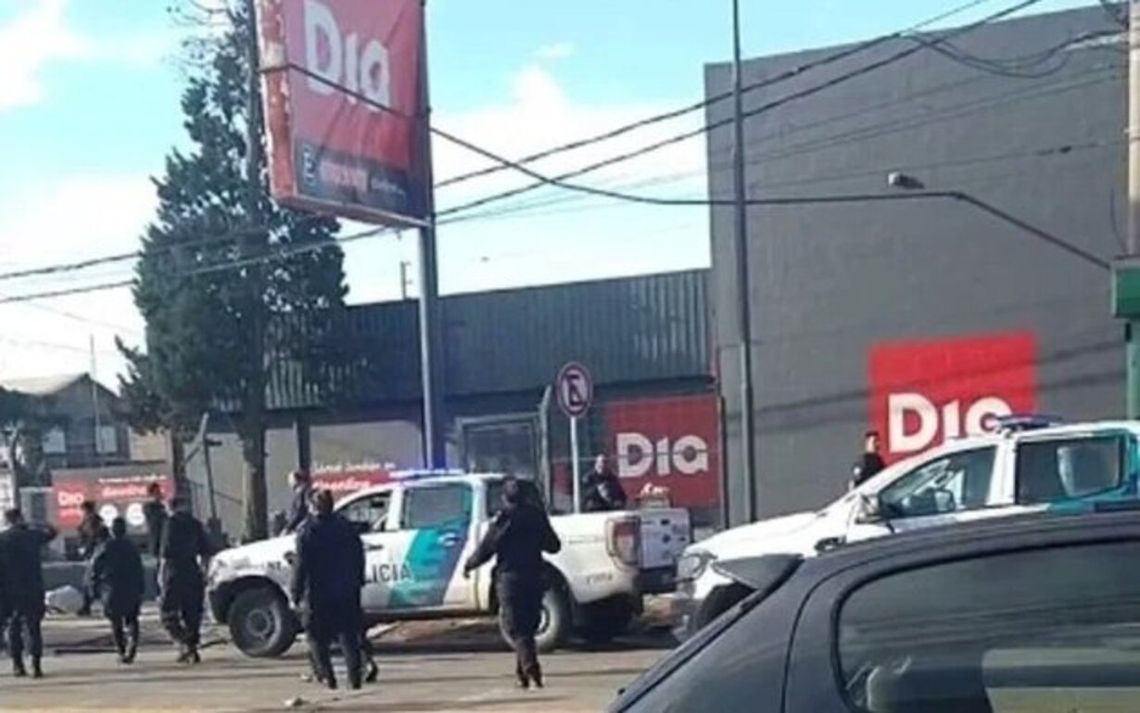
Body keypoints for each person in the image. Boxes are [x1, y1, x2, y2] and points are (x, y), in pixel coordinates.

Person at [463, 477, 561, 690]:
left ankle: (531, 668)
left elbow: (486, 549)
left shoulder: (504, 519)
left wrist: (469, 565)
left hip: (510, 579)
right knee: (527, 627)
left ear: (505, 498)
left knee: (516, 628)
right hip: (534, 576)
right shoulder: (536, 517)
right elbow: (554, 545)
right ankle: (522, 675)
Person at [291, 488, 365, 691]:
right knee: (348, 636)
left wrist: (295, 593)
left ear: (312, 507)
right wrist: (358, 580)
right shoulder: (346, 527)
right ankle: (354, 678)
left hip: (318, 592)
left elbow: (301, 565)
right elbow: (359, 555)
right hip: (346, 589)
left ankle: (327, 676)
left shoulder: (307, 531)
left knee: (316, 637)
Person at [0, 508, 57, 678]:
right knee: (33, 628)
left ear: (7, 521)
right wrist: (35, 523)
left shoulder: (3, 539)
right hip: (33, 587)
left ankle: (18, 665)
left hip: (10, 590)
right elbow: (53, 531)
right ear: (21, 518)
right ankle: (36, 666)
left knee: (13, 627)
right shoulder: (32, 536)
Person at [159, 494, 212, 664]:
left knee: (168, 612)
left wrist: (161, 574)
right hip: (192, 569)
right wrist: (204, 571)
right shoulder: (195, 524)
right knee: (192, 612)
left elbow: (166, 551)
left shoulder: (171, 523)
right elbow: (206, 550)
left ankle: (184, 641)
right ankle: (192, 647)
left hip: (174, 570)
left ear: (171, 507)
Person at [89, 517, 145, 664]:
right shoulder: (132, 547)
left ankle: (121, 650)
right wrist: (141, 588)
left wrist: (94, 588)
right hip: (131, 587)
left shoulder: (105, 547)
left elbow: (95, 568)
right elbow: (139, 569)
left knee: (116, 622)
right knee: (132, 619)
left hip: (112, 588)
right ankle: (132, 648)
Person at [76, 500, 109, 616]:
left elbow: (92, 538)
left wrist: (86, 549)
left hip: (96, 555)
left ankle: (88, 606)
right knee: (95, 582)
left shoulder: (91, 521)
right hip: (99, 554)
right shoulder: (97, 521)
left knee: (90, 582)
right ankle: (91, 606)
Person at [281, 470, 314, 535]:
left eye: (290, 480)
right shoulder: (303, 491)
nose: (289, 483)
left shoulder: (301, 493)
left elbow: (299, 511)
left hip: (299, 527)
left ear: (296, 480)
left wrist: (289, 527)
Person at [142, 482, 167, 558]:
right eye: (156, 492)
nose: (159, 494)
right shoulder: (149, 507)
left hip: (165, 537)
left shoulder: (163, 506)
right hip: (156, 537)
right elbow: (153, 517)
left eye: (159, 492)